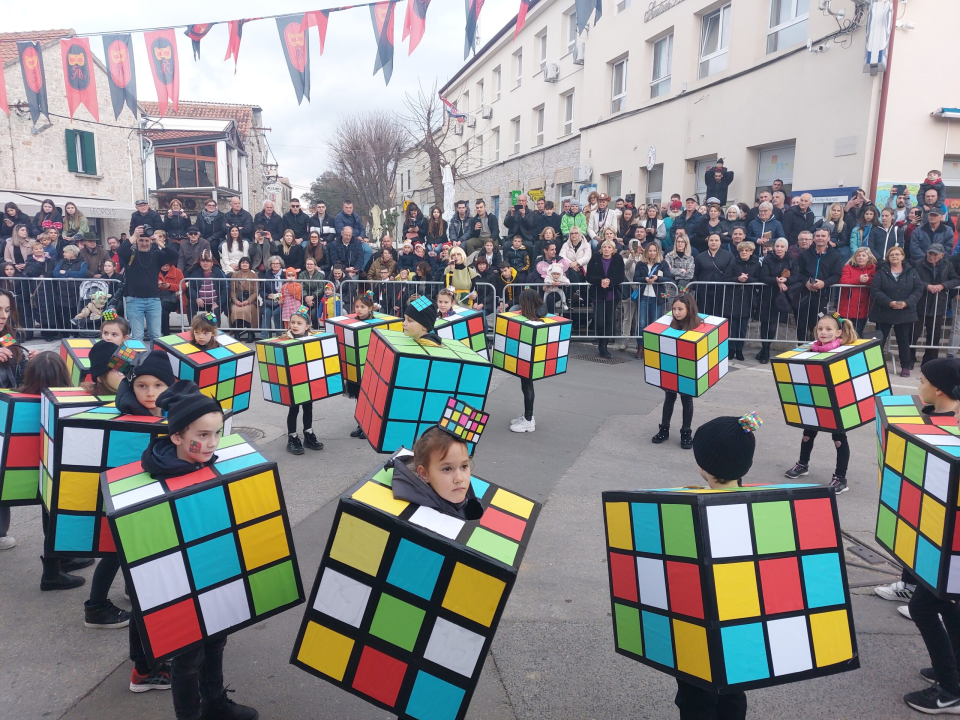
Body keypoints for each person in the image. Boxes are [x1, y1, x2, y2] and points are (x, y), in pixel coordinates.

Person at [137, 380, 257, 719]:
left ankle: (215, 703)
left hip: (214, 571)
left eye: (217, 433)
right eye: (203, 435)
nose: (213, 443)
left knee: (217, 641)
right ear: (176, 436)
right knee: (188, 659)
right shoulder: (159, 477)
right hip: (178, 584)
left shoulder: (209, 464)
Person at [675, 412, 761, 719]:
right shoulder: (762, 507)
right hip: (742, 624)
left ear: (703, 466)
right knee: (734, 691)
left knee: (696, 700)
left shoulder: (688, 512)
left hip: (697, 631)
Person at [901, 362, 960, 713]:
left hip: (952, 539)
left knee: (922, 607)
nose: (918, 385)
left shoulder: (952, 430)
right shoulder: (938, 420)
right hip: (945, 535)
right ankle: (953, 671)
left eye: (921, 380)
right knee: (950, 604)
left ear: (938, 389)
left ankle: (950, 689)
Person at [784, 313, 861, 492]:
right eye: (820, 329)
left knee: (839, 439)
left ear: (838, 332)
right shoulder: (811, 350)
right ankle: (802, 464)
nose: (823, 332)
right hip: (815, 398)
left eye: (828, 329)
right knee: (807, 434)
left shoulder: (842, 351)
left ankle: (840, 478)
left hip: (837, 402)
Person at [391, 423, 482, 520]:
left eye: (464, 466)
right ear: (424, 473)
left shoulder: (448, 493)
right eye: (447, 469)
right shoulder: (421, 517)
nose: (459, 479)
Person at [651, 294, 702, 449]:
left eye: (680, 309)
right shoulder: (671, 325)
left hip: (688, 368)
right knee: (669, 397)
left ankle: (686, 432)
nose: (676, 312)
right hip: (672, 366)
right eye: (674, 309)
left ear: (689, 309)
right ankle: (664, 429)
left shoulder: (697, 327)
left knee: (687, 400)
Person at [870, 245, 922, 377]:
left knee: (903, 340)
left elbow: (918, 289)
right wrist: (889, 302)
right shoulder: (881, 271)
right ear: (888, 257)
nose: (894, 256)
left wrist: (907, 303)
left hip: (905, 312)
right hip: (884, 311)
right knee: (879, 340)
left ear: (903, 256)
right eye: (891, 254)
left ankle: (905, 366)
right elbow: (875, 290)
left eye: (897, 254)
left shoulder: (912, 271)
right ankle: (874, 366)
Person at [118, 227, 177, 341]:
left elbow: (174, 254)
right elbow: (120, 250)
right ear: (137, 241)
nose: (144, 243)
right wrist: (134, 236)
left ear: (150, 242)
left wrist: (158, 242)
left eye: (146, 241)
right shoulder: (130, 254)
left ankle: (155, 354)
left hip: (153, 300)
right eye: (141, 240)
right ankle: (138, 354)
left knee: (156, 335)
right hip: (134, 300)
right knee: (137, 336)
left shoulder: (156, 255)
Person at [282, 306, 324, 455]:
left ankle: (308, 434)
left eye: (299, 323)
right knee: (293, 409)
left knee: (308, 407)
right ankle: (292, 438)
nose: (294, 325)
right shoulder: (285, 340)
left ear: (307, 326)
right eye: (292, 322)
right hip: (292, 381)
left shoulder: (312, 339)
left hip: (308, 379)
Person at [912, 244, 958, 366]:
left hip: (938, 304)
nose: (932, 256)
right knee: (914, 333)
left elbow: (955, 279)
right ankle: (910, 359)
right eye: (930, 253)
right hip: (920, 303)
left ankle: (930, 361)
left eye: (935, 254)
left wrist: (943, 285)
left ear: (942, 255)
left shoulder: (948, 265)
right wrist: (927, 286)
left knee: (934, 335)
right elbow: (913, 279)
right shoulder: (918, 263)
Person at [755, 238, 800, 362]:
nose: (779, 249)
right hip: (767, 295)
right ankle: (765, 350)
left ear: (786, 248)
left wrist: (786, 280)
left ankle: (766, 348)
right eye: (777, 246)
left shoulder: (791, 260)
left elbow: (796, 276)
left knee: (773, 324)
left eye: (782, 246)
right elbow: (763, 277)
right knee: (765, 323)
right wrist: (777, 281)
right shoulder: (768, 259)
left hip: (780, 296)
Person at [796, 229, 843, 342]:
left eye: (823, 236)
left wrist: (824, 283)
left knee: (818, 323)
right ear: (814, 238)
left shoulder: (835, 255)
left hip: (822, 296)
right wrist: (806, 282)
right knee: (801, 324)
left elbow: (837, 275)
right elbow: (798, 272)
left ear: (828, 238)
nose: (820, 238)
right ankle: (801, 347)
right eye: (818, 236)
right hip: (804, 294)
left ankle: (816, 347)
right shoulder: (804, 254)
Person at [508, 290, 544, 433]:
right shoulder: (535, 315)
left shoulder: (534, 320)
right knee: (526, 386)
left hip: (529, 358)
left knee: (528, 387)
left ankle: (528, 420)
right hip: (526, 356)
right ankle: (528, 416)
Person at [587, 238, 626, 358]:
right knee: (600, 321)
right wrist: (600, 281)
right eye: (604, 247)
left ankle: (604, 346)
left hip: (612, 294)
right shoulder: (595, 258)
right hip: (598, 293)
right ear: (601, 248)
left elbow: (620, 276)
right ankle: (600, 342)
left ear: (613, 249)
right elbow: (589, 276)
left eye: (609, 247)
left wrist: (610, 281)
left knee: (609, 320)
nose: (606, 249)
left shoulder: (618, 259)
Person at [728, 241, 760, 361]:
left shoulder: (756, 264)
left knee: (742, 327)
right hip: (733, 297)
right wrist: (738, 279)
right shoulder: (733, 262)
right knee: (732, 326)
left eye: (747, 250)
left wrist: (747, 279)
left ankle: (739, 350)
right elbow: (726, 278)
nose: (744, 252)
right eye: (742, 250)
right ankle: (731, 349)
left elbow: (759, 279)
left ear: (751, 252)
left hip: (747, 298)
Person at [693, 232, 735, 318]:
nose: (714, 242)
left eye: (716, 240)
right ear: (708, 242)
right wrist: (696, 287)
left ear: (720, 242)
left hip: (722, 291)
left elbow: (731, 272)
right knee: (703, 315)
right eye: (711, 240)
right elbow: (695, 273)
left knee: (719, 316)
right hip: (703, 292)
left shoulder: (728, 256)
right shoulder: (700, 257)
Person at [837, 247, 877, 336]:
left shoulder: (873, 268)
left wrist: (868, 280)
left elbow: (877, 280)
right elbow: (843, 281)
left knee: (858, 333)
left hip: (864, 307)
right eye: (859, 255)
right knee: (846, 334)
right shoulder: (848, 267)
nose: (861, 257)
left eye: (863, 255)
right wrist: (858, 280)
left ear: (868, 258)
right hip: (847, 306)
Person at [185, 249, 228, 322]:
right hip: (201, 304)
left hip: (214, 304)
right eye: (203, 261)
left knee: (212, 320)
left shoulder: (218, 273)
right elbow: (191, 288)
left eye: (208, 261)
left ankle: (213, 328)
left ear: (212, 263)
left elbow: (225, 289)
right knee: (191, 303)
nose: (205, 263)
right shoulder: (195, 273)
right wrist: (197, 298)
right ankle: (193, 326)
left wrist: (218, 303)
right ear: (200, 263)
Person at [159, 261, 185, 336]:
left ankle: (165, 332)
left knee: (163, 306)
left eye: (167, 265)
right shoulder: (155, 271)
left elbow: (183, 287)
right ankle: (163, 332)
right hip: (158, 298)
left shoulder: (177, 272)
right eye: (163, 265)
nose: (164, 267)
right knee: (162, 309)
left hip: (174, 299)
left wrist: (170, 286)